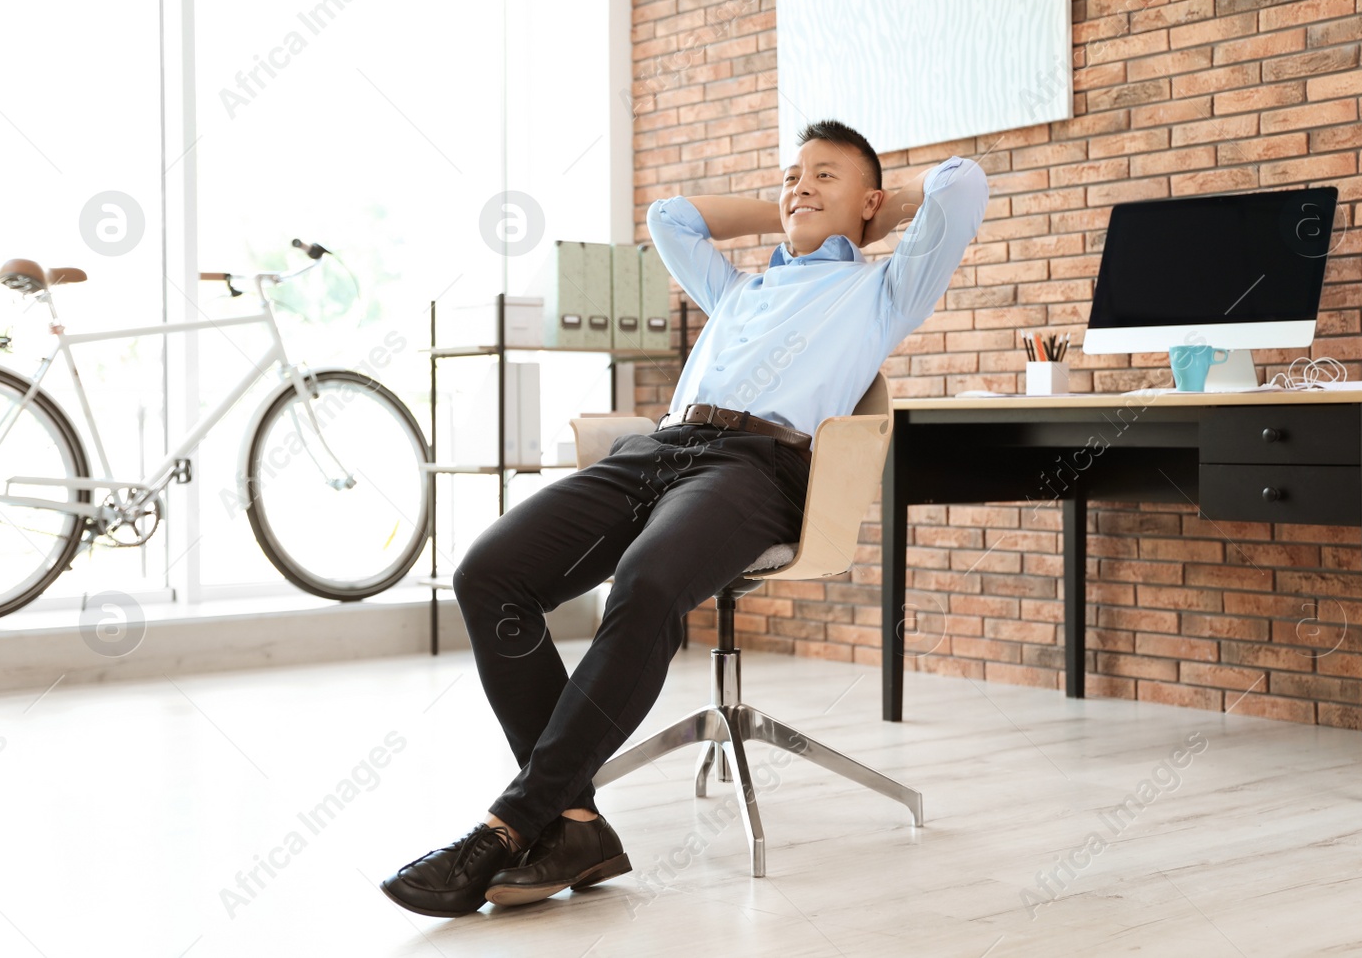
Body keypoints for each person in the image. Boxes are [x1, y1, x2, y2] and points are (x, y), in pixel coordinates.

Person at [381, 119, 990, 917]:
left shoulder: (881, 289)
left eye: (825, 177)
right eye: (791, 175)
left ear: (870, 203)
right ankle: (576, 823)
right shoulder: (738, 288)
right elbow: (669, 216)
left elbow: (964, 185)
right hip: (659, 448)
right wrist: (796, 209)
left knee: (645, 582)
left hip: (758, 466)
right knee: (488, 572)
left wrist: (880, 211)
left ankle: (510, 823)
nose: (799, 186)